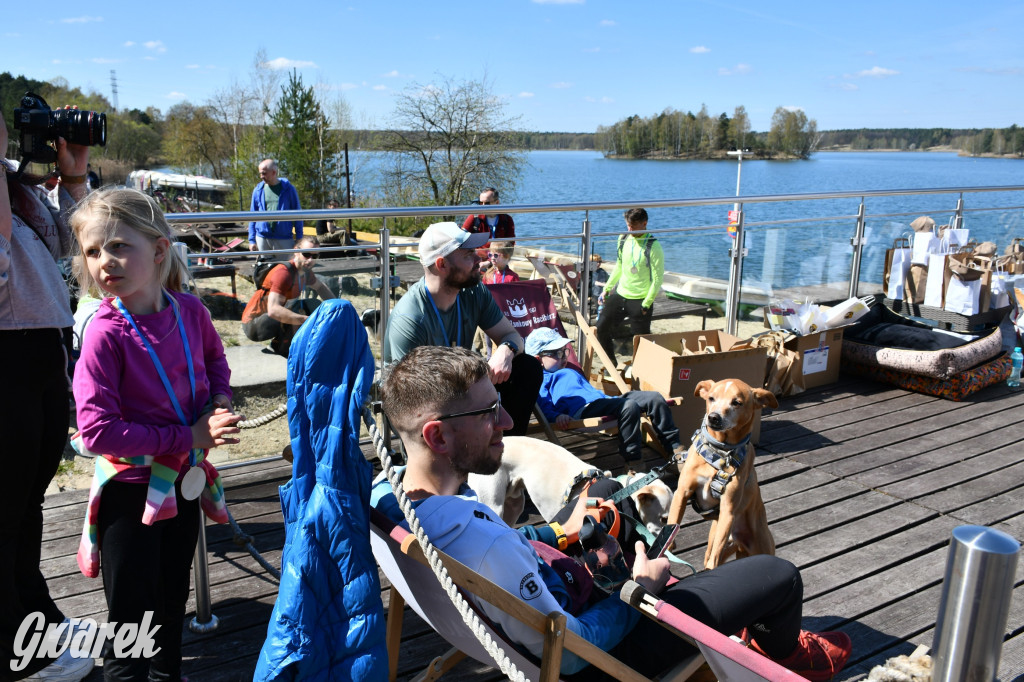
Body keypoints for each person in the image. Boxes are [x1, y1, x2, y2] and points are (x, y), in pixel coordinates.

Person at [373, 345, 852, 681]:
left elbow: (502, 542)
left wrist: (558, 530)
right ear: (438, 436)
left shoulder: (389, 495)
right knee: (776, 575)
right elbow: (575, 653)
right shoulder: (487, 550)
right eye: (488, 413)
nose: (505, 421)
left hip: (534, 594)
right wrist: (642, 588)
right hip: (600, 658)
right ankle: (787, 653)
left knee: (604, 490)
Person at [70, 187, 243, 681]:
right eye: (93, 251)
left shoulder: (190, 312)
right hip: (130, 494)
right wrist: (187, 436)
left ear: (160, 251)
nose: (106, 261)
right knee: (130, 615)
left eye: (120, 246)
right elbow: (97, 430)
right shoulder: (105, 332)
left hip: (181, 482)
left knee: (171, 598)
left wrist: (220, 403)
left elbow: (215, 362)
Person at [1, 108, 97, 681]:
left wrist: (76, 177)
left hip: (39, 348)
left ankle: (33, 612)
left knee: (26, 497)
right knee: (5, 503)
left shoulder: (14, 180)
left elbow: (66, 244)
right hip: (6, 354)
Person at [383, 221, 542, 435]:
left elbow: (512, 336)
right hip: (421, 406)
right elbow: (412, 399)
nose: (479, 259)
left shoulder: (474, 292)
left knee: (526, 368)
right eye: (468, 254)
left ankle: (507, 451)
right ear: (442, 265)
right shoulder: (410, 319)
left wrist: (505, 351)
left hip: (460, 387)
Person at [527, 326, 683, 470]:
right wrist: (557, 416)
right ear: (538, 359)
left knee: (654, 398)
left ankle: (675, 451)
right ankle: (634, 463)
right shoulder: (541, 378)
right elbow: (543, 406)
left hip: (605, 401)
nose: (563, 357)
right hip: (584, 410)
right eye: (556, 353)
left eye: (564, 351)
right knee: (628, 407)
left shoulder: (568, 370)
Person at [241, 235, 336, 357]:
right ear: (296, 251)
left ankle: (280, 345)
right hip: (254, 324)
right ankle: (293, 348)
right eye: (306, 254)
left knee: (313, 304)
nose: (310, 260)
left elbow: (321, 288)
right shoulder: (284, 273)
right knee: (297, 309)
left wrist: (339, 306)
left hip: (273, 318)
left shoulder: (305, 272)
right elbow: (273, 310)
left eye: (315, 256)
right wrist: (306, 320)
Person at [596, 207, 664, 368]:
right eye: (628, 225)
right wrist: (607, 288)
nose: (630, 229)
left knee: (641, 342)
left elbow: (657, 279)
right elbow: (619, 266)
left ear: (644, 223)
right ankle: (610, 364)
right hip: (621, 294)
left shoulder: (653, 246)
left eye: (633, 226)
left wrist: (647, 303)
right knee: (601, 328)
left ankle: (640, 372)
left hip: (641, 299)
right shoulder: (623, 238)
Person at [248, 159, 302, 253]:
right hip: (262, 238)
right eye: (260, 173)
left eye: (264, 173)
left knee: (284, 267)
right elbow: (252, 216)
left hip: (284, 239)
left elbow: (298, 215)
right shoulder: (258, 190)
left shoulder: (289, 189)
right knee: (265, 267)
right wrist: (252, 240)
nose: (261, 176)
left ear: (273, 172)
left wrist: (299, 238)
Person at [462, 187, 515, 261]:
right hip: (478, 261)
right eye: (480, 203)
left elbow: (510, 246)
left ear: (497, 203)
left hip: (499, 261)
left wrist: (490, 262)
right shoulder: (474, 217)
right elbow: (461, 239)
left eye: (487, 203)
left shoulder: (507, 220)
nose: (483, 206)